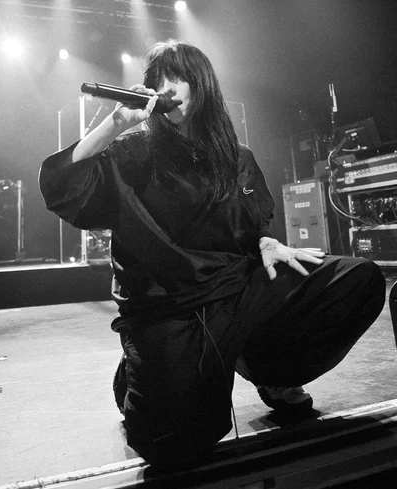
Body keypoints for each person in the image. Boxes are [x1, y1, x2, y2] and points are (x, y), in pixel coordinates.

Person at [39, 39, 386, 470]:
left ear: (202, 84)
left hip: (238, 287)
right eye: (158, 79)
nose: (166, 87)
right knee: (173, 445)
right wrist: (115, 124)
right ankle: (136, 371)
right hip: (170, 305)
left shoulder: (237, 157)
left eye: (178, 76)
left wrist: (266, 241)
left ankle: (269, 371)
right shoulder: (132, 153)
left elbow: (254, 221)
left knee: (358, 279)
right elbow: (62, 188)